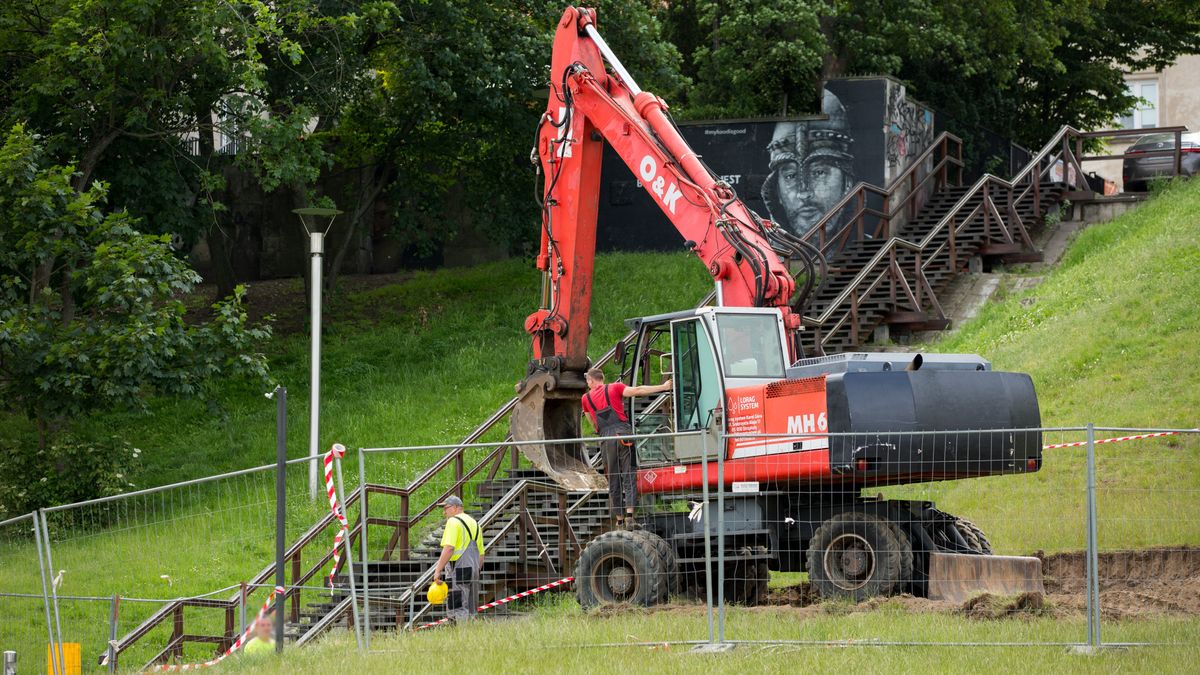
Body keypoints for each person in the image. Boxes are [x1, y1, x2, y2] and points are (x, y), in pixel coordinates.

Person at [581, 367, 672, 528]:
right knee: (629, 475)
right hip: (623, 435)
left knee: (613, 479)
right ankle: (630, 516)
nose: (587, 384)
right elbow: (638, 390)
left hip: (606, 439)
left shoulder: (585, 398)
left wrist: (602, 430)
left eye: (587, 381)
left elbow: (592, 422)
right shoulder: (615, 388)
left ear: (591, 380)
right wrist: (663, 387)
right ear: (602, 378)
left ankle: (619, 520)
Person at [761, 90, 856, 241]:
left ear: (847, 181)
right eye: (790, 176)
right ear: (776, 189)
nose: (804, 193)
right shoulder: (762, 251)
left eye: (819, 172)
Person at [431, 495, 485, 622]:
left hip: (459, 569)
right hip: (474, 569)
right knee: (471, 608)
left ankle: (460, 632)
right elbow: (481, 554)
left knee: (458, 606)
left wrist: (438, 570)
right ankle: (473, 631)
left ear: (455, 507)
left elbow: (449, 548)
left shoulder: (453, 522)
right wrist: (476, 570)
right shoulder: (475, 524)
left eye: (446, 508)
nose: (444, 512)